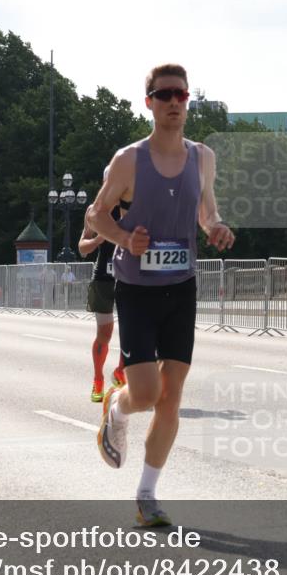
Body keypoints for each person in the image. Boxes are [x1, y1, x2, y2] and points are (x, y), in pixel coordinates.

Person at [85, 63, 235, 527]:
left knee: (171, 397)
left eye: (181, 95)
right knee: (146, 393)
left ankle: (147, 495)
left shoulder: (202, 158)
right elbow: (95, 216)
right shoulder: (129, 159)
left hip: (181, 286)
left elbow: (206, 212)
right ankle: (116, 406)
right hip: (136, 289)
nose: (174, 102)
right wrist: (126, 239)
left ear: (188, 101)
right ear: (148, 101)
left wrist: (216, 228)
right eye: (165, 94)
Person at [78, 167, 129, 403]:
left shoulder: (132, 205)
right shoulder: (94, 210)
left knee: (132, 332)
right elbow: (82, 248)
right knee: (104, 334)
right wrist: (101, 236)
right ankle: (97, 380)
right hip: (104, 278)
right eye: (109, 181)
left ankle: (120, 372)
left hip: (129, 277)